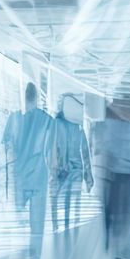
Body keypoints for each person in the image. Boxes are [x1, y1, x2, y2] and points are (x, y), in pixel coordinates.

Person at [3, 83, 56, 259]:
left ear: (24, 97)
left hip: (20, 176)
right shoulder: (48, 120)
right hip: (39, 175)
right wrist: (54, 174)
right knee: (37, 221)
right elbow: (51, 153)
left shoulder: (14, 119)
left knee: (19, 218)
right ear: (37, 98)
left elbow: (8, 150)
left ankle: (20, 252)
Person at [95, 98, 130, 259]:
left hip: (124, 174)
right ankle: (126, 250)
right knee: (128, 213)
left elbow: (107, 147)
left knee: (125, 213)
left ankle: (125, 250)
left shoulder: (117, 118)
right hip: (127, 174)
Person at [52, 95, 92, 230]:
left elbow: (52, 148)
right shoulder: (78, 128)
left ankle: (56, 226)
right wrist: (88, 177)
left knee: (56, 198)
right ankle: (72, 225)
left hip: (61, 168)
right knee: (73, 200)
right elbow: (85, 154)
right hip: (77, 169)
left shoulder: (56, 124)